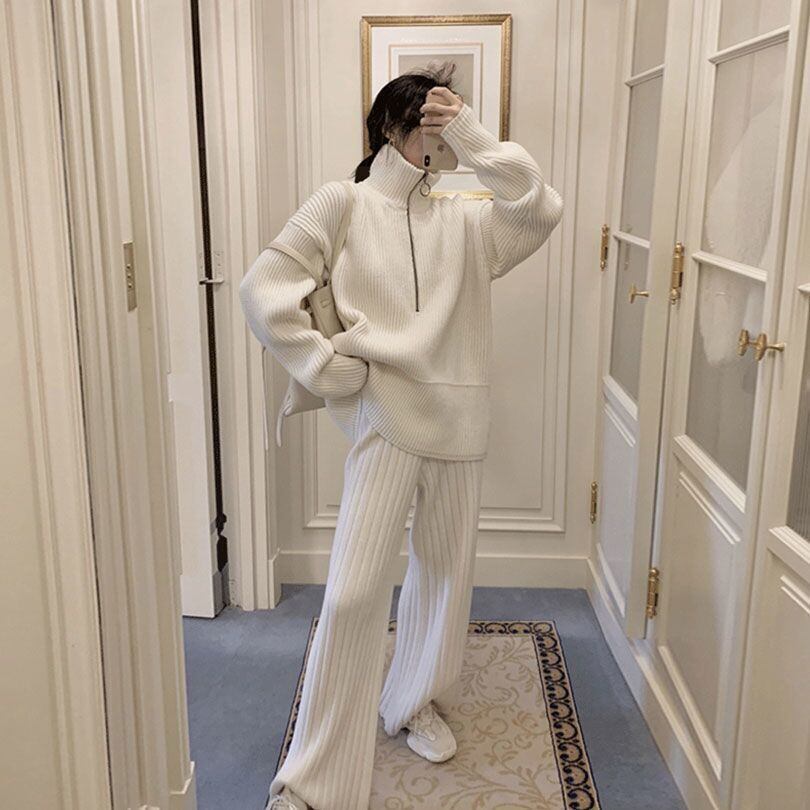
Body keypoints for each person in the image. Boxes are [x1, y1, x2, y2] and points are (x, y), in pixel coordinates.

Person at [239, 63, 564, 810]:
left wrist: (472, 134)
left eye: (454, 125)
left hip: (462, 421)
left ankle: (412, 700)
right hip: (385, 415)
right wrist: (320, 363)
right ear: (391, 127)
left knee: (444, 577)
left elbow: (539, 205)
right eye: (432, 124)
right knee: (353, 595)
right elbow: (264, 287)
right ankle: (312, 779)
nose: (444, 140)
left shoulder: (470, 221)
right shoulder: (342, 203)